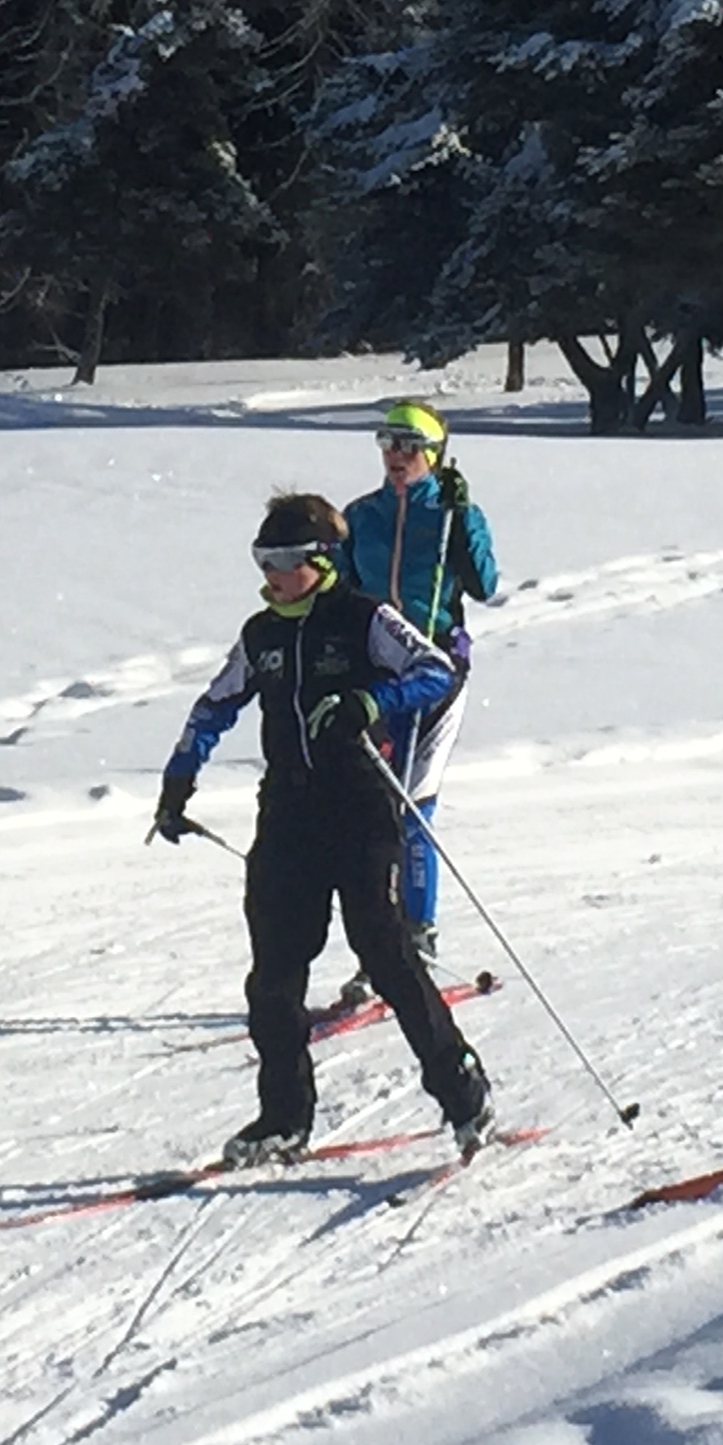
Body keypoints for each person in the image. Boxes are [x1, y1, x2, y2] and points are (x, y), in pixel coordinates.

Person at [152, 493, 494, 1165]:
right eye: (262, 559)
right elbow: (214, 705)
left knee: (386, 953)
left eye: (283, 560)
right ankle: (284, 1116)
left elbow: (435, 670)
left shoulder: (365, 618)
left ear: (321, 559)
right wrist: (178, 779)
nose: (271, 574)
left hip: (361, 807)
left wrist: (372, 698)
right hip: (287, 813)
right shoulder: (262, 634)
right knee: (274, 974)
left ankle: (462, 1088)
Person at [333, 398, 500, 1007]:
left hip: (437, 673)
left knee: (412, 803)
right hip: (379, 675)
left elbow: (485, 584)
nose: (396, 456)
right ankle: (379, 947)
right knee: (372, 808)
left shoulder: (453, 514)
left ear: (433, 454)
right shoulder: (361, 516)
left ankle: (418, 937)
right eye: (387, 443)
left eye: (409, 446)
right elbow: (342, 591)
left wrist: (465, 519)